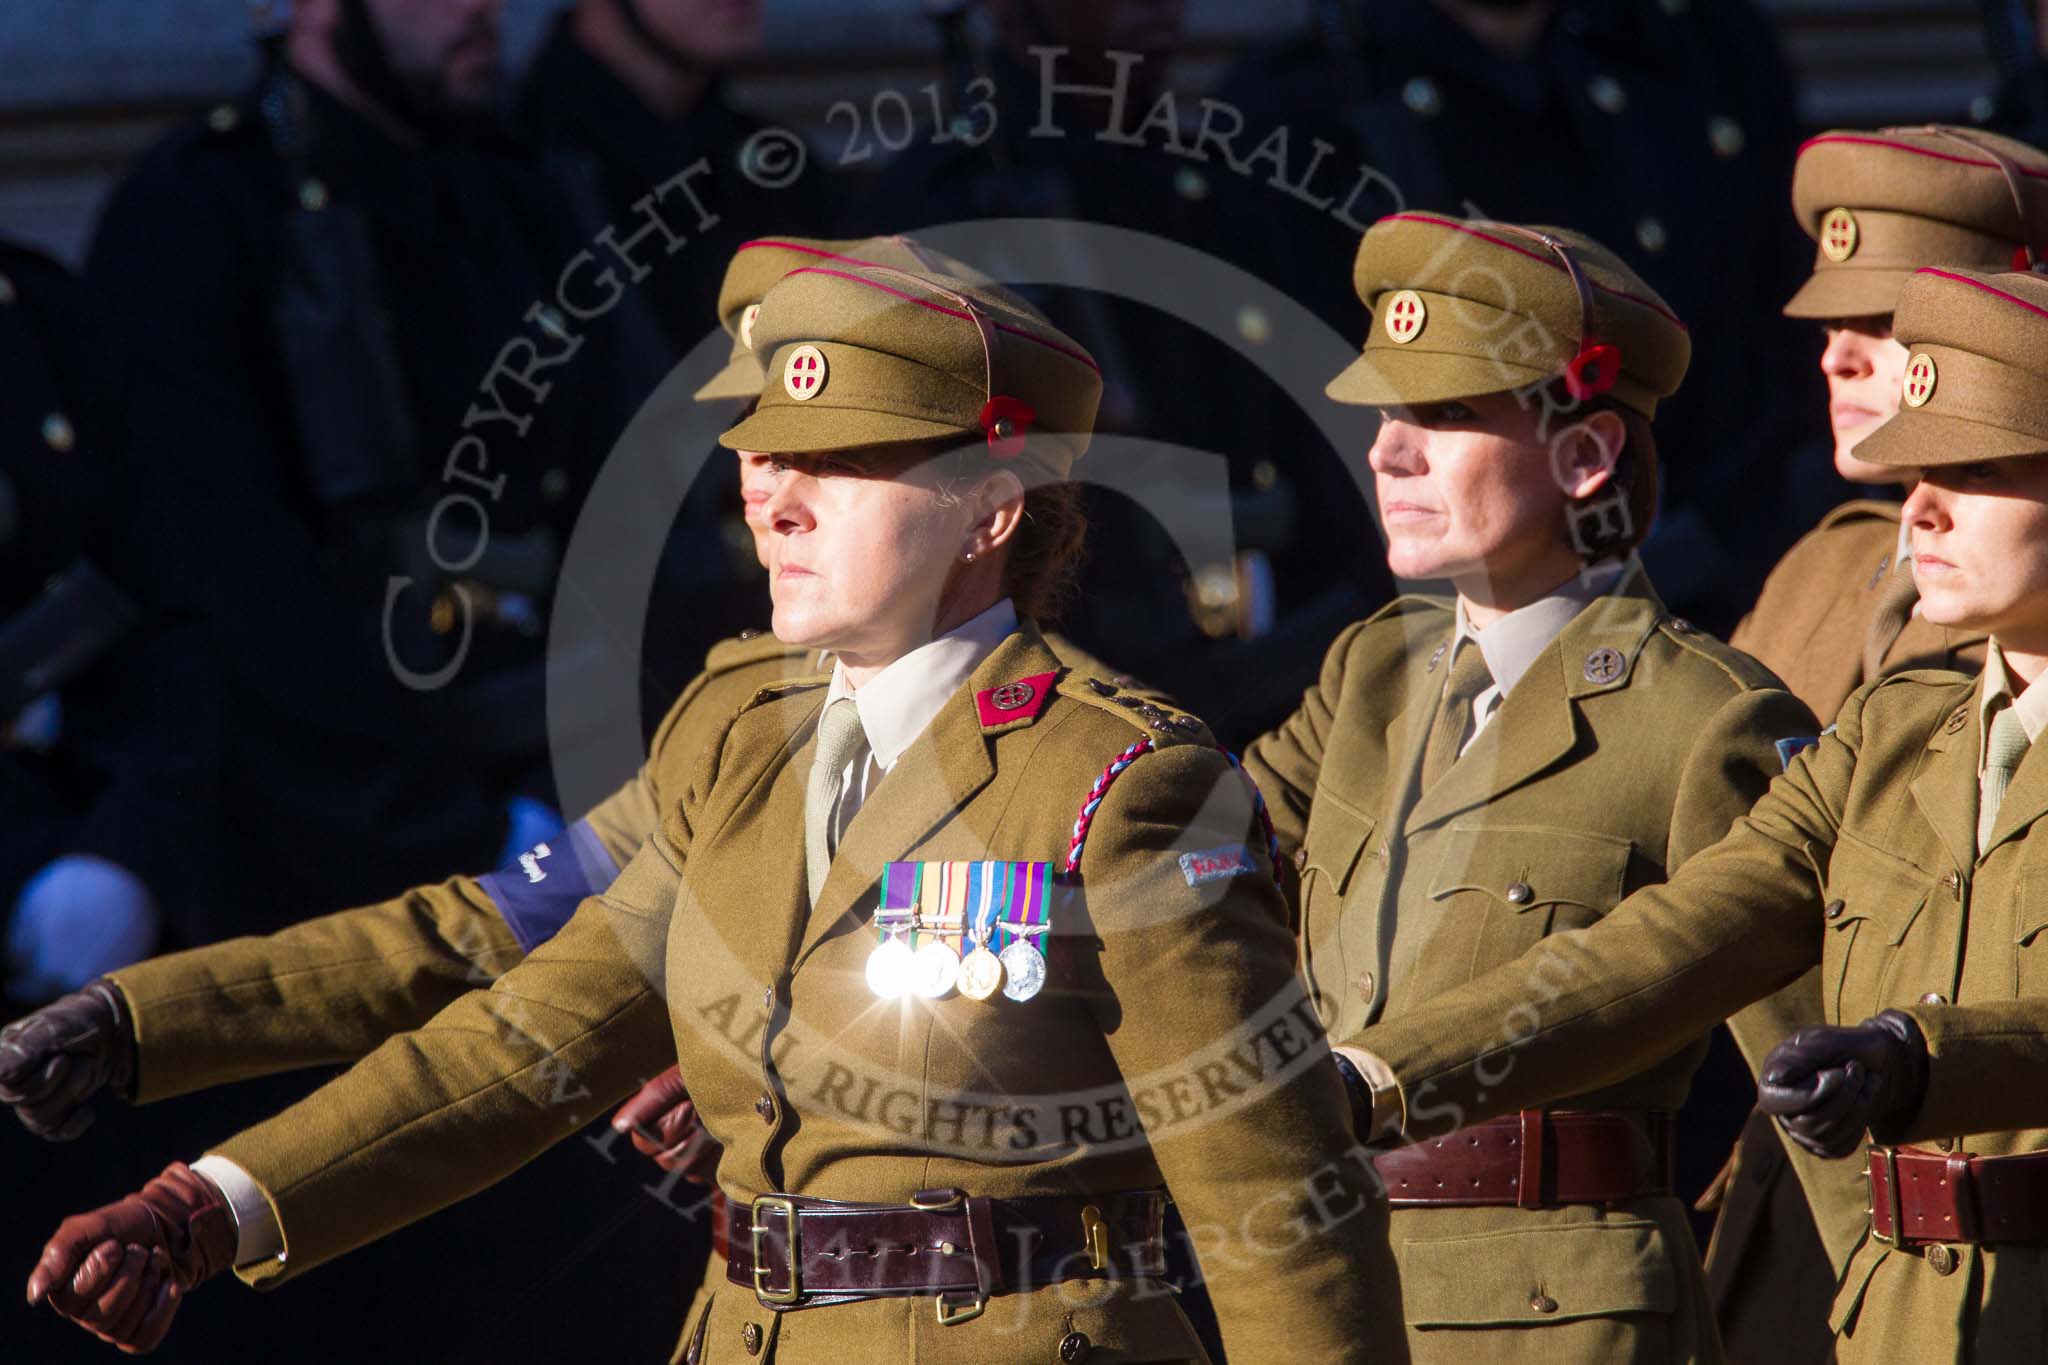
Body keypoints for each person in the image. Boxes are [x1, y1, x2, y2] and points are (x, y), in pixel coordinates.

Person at [25, 262, 1397, 1362]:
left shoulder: (1125, 787)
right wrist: (206, 1204)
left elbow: (1276, 1205)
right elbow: (519, 1038)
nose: (773, 495)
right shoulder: (744, 737)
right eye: (762, 449)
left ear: (991, 511)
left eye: (841, 460)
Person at [1328, 263, 2048, 1362]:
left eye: (1977, 471)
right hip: (1917, 1326)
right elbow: (1668, 945)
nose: (1921, 511)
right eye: (1913, 472)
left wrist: (1916, 1055)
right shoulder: (1893, 736)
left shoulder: (1709, 712)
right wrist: (1371, 1079)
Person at [1232, 212, 1815, 1361]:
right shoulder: (1372, 675)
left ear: (1584, 456)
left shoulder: (1703, 718)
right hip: (1332, 1291)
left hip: (1557, 1314)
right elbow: (1192, 851)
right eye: (1388, 413)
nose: (1388, 451)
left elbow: (1815, 1105)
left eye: (1443, 416)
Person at [82, 0, 649, 938]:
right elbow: (226, 576)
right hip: (327, 848)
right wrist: (461, 831)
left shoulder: (520, 195)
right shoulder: (195, 214)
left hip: (565, 767)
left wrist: (593, 785)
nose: (480, 11)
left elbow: (624, 498)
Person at [1703, 122, 2046, 1364]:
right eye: (1826, 325)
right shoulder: (1811, 574)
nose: (1838, 355)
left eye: (1890, 321)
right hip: (1799, 1243)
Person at [1207, 0, 1827, 634]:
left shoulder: (1706, 53)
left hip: (1733, 580)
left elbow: (1786, 327)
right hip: (1429, 607)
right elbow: (1291, 409)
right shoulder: (1296, 98)